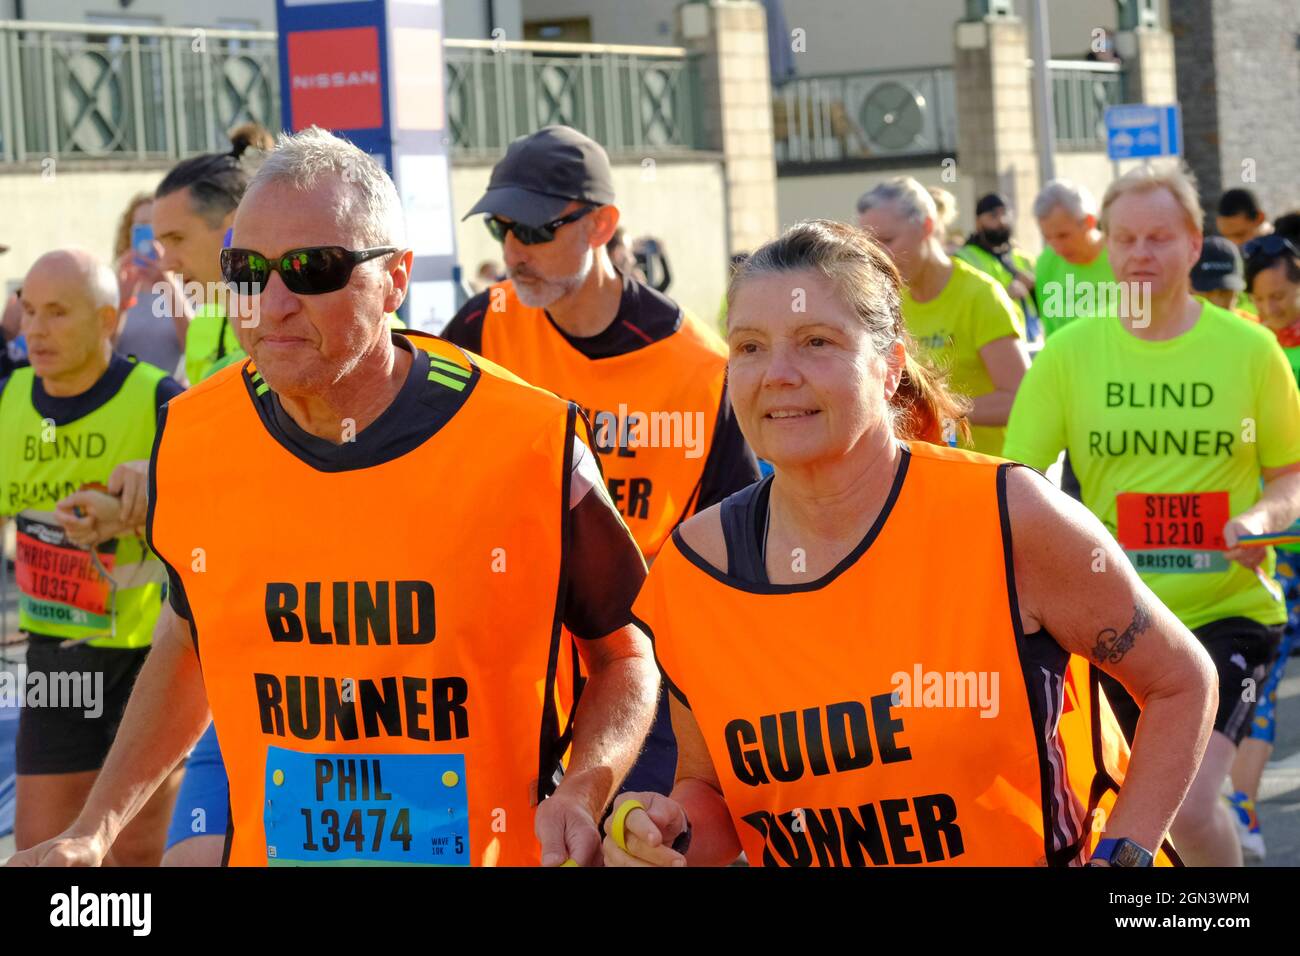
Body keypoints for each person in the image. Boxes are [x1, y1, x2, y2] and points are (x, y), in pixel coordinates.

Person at [7, 127, 660, 869]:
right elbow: (190, 643)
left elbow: (624, 653)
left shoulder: (528, 439)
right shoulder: (193, 433)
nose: (274, 302)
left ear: (396, 279)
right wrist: (96, 828)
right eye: (248, 269)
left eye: (315, 269)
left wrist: (583, 790)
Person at [602, 220, 1215, 868]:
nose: (777, 374)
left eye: (816, 342)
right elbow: (713, 792)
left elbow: (1181, 682)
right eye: (750, 347)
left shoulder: (1007, 517)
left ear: (890, 367)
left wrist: (1123, 859)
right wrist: (664, 831)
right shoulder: (699, 567)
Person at [442, 125, 760, 797]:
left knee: (635, 844)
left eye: (533, 230)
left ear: (601, 225)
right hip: (515, 661)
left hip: (646, 667)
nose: (512, 251)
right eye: (502, 228)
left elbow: (737, 539)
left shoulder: (700, 367)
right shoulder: (481, 328)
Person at [1003, 167, 1300, 866]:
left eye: (1159, 238)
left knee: (1190, 801)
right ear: (1108, 247)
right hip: (1117, 621)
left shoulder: (1250, 349)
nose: (1141, 254)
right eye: (1127, 238)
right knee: (1142, 818)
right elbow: (1017, 481)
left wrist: (1260, 520)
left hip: (1227, 608)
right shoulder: (1071, 354)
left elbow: (1290, 475)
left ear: (1195, 244)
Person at [0, 249, 184, 865]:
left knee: (135, 858)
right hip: (57, 660)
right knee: (41, 852)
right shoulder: (10, 400)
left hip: (151, 663)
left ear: (107, 320)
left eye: (57, 313)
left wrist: (141, 507)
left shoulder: (161, 400)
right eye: (28, 311)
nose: (35, 330)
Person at [857, 176, 1028, 456]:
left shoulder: (981, 296)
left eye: (887, 240)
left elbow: (1021, 399)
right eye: (871, 245)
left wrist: (940, 409)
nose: (879, 255)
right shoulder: (887, 301)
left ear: (927, 226)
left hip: (985, 475)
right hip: (918, 475)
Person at [1225, 235, 1300, 861]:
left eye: (1283, 295)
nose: (1272, 307)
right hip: (1274, 530)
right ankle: (1240, 804)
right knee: (1268, 671)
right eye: (1262, 297)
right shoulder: (1248, 344)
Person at [152, 129, 263, 385]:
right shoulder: (202, 325)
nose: (166, 264)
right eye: (161, 244)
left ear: (235, 223)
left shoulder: (289, 317)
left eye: (177, 239)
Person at [112, 192, 186, 376]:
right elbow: (100, 351)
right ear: (129, 233)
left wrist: (168, 283)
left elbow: (195, 346)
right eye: (141, 227)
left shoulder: (186, 282)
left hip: (172, 394)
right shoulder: (114, 283)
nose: (149, 235)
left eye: (155, 226)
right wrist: (121, 302)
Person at [1033, 179, 1116, 338]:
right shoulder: (1046, 263)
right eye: (1048, 238)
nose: (1057, 248)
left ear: (1089, 222)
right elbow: (1051, 334)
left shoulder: (1122, 257)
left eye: (1063, 236)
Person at [955, 192, 1039, 340]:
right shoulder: (964, 258)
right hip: (991, 341)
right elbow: (963, 307)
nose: (1002, 221)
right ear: (978, 221)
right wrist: (1004, 295)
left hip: (1030, 340)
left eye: (1005, 213)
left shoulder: (1023, 257)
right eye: (993, 216)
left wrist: (1035, 287)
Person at [1190, 236, 1256, 320]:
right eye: (1209, 292)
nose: (1218, 302)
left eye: (1225, 292)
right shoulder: (1171, 329)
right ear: (1189, 287)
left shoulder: (1253, 327)